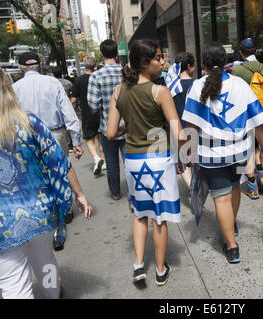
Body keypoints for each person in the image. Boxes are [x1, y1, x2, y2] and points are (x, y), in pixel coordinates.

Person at [0, 60, 92, 299]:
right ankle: (53, 295)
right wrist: (78, 193)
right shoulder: (28, 123)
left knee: (13, 286)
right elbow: (57, 160)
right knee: (46, 261)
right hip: (38, 212)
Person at [182, 42, 263, 264]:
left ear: (204, 63)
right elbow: (258, 122)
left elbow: (190, 125)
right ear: (225, 62)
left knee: (221, 199)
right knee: (235, 187)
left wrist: (189, 153)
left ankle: (232, 247)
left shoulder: (197, 86)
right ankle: (232, 226)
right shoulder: (240, 85)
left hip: (212, 156)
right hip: (241, 153)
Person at [106, 39, 184, 285]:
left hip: (133, 161)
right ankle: (161, 270)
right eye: (158, 57)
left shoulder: (119, 91)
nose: (162, 62)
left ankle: (138, 265)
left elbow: (110, 133)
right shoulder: (159, 91)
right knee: (159, 217)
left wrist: (127, 128)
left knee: (140, 213)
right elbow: (179, 133)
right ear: (143, 62)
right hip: (159, 160)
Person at [13, 52, 83, 243]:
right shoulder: (53, 83)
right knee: (60, 169)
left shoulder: (14, 88)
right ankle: (65, 208)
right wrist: (75, 141)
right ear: (40, 65)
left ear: (20, 68)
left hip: (26, 136)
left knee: (36, 174)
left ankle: (44, 210)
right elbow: (68, 113)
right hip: (55, 133)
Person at [232, 38, 263, 200]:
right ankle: (262, 175)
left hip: (245, 117)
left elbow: (235, 98)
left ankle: (252, 187)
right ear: (256, 51)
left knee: (249, 150)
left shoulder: (237, 71)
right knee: (257, 146)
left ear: (241, 53)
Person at [88, 40, 127, 201]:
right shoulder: (127, 72)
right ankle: (135, 198)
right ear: (117, 54)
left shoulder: (96, 76)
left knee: (111, 164)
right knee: (130, 163)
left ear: (101, 55)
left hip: (107, 128)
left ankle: (116, 192)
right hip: (128, 127)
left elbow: (93, 105)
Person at [71, 56, 106, 177]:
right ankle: (104, 160)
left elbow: (74, 99)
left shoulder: (79, 80)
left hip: (87, 114)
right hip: (100, 112)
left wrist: (73, 111)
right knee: (100, 137)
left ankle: (96, 159)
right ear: (95, 65)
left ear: (85, 66)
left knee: (89, 140)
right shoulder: (99, 77)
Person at [165, 52, 196, 189]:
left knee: (182, 163)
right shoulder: (197, 84)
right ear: (189, 66)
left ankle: (192, 187)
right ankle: (197, 186)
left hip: (177, 129)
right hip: (196, 128)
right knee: (195, 160)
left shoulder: (170, 86)